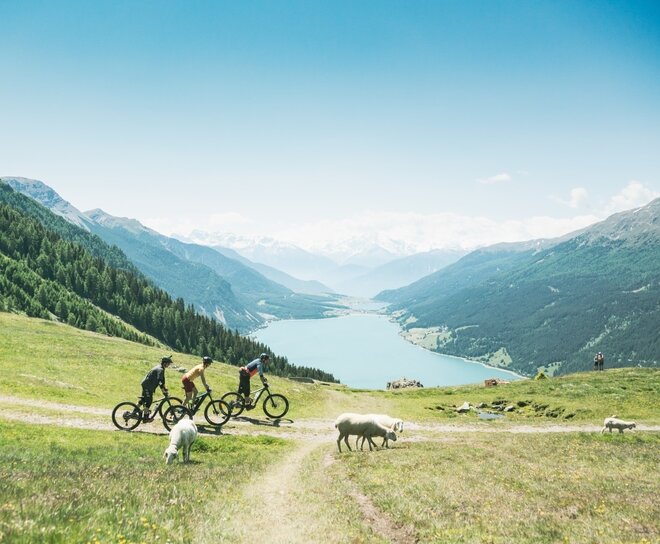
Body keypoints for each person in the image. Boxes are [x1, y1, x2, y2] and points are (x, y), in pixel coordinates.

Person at [140, 355, 172, 421]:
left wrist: (164, 388)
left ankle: (135, 411)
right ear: (165, 363)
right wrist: (163, 390)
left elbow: (162, 381)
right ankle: (145, 417)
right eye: (168, 363)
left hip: (148, 385)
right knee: (149, 401)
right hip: (147, 386)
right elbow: (160, 381)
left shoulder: (160, 368)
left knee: (144, 399)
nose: (169, 365)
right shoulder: (160, 369)